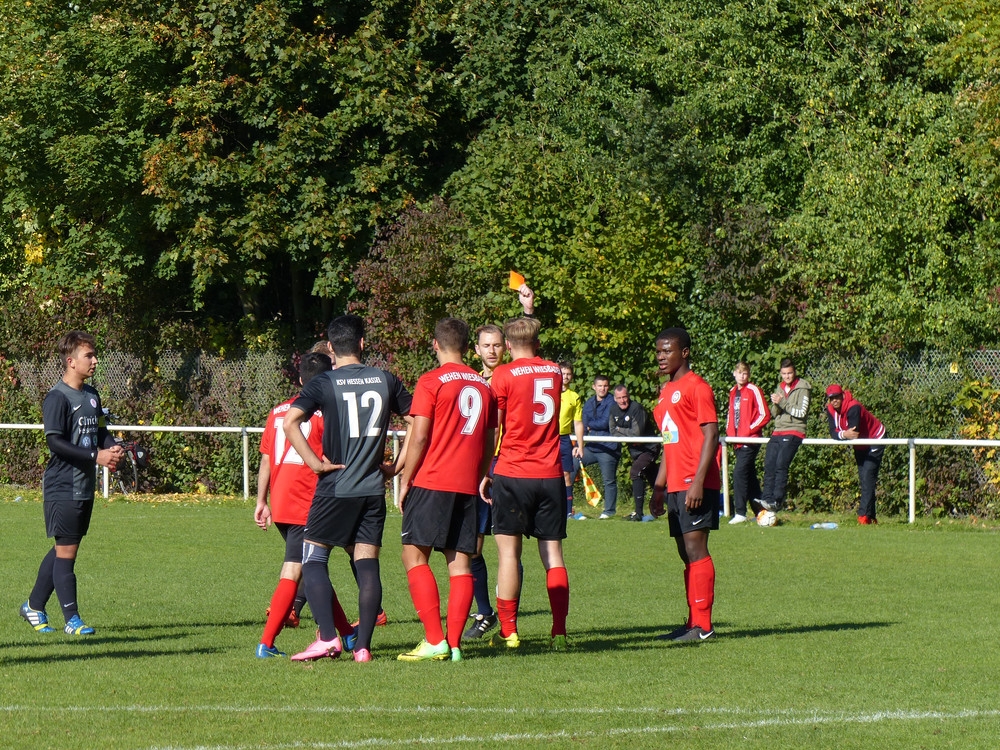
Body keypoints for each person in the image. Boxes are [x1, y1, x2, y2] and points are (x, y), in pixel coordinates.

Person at [282, 314, 412, 663]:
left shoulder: (324, 382)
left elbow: (290, 422)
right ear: (363, 344)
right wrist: (396, 467)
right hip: (372, 488)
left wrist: (315, 463)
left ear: (329, 347)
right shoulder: (386, 379)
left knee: (312, 558)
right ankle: (364, 647)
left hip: (336, 484)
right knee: (367, 564)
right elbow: (417, 422)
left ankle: (327, 638)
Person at [396, 318, 497, 662]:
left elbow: (420, 435)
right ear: (469, 347)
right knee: (459, 564)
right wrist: (480, 474)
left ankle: (435, 639)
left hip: (433, 481)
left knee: (413, 554)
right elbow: (489, 440)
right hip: (467, 485)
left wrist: (406, 479)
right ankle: (454, 644)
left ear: (435, 345)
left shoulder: (431, 381)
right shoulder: (484, 386)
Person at [21, 330, 124, 636]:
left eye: (94, 354)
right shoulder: (57, 398)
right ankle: (73, 620)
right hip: (62, 485)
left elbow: (101, 431)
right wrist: (97, 455)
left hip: (83, 485)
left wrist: (113, 446)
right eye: (88, 355)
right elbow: (55, 442)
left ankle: (33, 606)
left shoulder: (92, 395)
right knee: (67, 553)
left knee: (64, 548)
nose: (94, 360)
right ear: (71, 361)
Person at [254, 351, 356, 658]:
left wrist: (261, 500)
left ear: (300, 380)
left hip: (281, 499)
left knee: (314, 569)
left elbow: (267, 459)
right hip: (308, 500)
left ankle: (349, 634)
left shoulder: (278, 411)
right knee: (296, 569)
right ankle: (267, 642)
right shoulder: (329, 411)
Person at [480, 316, 569, 650]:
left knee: (508, 554)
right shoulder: (554, 371)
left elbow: (496, 427)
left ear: (507, 343)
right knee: (553, 555)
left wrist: (487, 469)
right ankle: (558, 630)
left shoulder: (502, 374)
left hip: (513, 471)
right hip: (549, 473)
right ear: (537, 340)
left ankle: (509, 630)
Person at [463, 284, 535, 640]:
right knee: (473, 546)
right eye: (485, 345)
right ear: (476, 350)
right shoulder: (471, 382)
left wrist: (528, 310)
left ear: (505, 348)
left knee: (509, 544)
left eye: (497, 345)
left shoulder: (514, 377)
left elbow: (531, 343)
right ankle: (485, 613)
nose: (492, 351)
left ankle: (510, 615)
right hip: (479, 472)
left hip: (510, 471)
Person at [650, 327, 720, 643]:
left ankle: (703, 627)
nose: (661, 356)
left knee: (696, 549)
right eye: (659, 351)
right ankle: (693, 621)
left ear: (685, 353)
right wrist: (659, 486)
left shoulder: (697, 387)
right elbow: (670, 441)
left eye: (668, 351)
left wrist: (698, 482)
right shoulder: (665, 392)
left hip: (696, 482)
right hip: (676, 482)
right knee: (684, 552)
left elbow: (711, 436)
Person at [758, 358, 812, 523]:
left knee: (781, 464)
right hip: (778, 431)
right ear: (781, 374)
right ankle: (766, 499)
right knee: (769, 463)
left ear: (794, 372)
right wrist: (776, 404)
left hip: (795, 430)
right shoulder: (780, 387)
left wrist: (782, 402)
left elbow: (801, 412)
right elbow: (775, 413)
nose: (787, 376)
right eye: (784, 374)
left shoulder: (803, 388)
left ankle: (777, 500)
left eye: (790, 373)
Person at [824, 384, 886, 525]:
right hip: (860, 444)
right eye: (831, 398)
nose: (834, 401)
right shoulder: (830, 410)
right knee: (864, 479)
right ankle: (871, 516)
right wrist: (844, 434)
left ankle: (863, 516)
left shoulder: (854, 407)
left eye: (837, 397)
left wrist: (843, 434)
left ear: (842, 396)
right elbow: (834, 432)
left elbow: (854, 433)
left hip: (875, 438)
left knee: (868, 476)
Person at [725, 362, 771, 524]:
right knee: (749, 476)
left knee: (739, 473)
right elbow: (731, 414)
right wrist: (729, 433)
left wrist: (749, 430)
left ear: (748, 375)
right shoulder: (732, 392)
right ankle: (761, 512)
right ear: (734, 374)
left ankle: (740, 512)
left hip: (750, 440)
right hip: (736, 441)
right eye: (739, 373)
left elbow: (764, 414)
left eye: (745, 373)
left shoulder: (754, 390)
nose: (742, 376)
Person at [608, 385, 659, 521]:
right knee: (657, 482)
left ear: (628, 396)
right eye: (619, 398)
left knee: (635, 472)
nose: (622, 400)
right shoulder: (613, 410)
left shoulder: (636, 408)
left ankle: (638, 514)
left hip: (649, 448)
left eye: (624, 397)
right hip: (636, 451)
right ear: (615, 398)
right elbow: (612, 431)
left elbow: (637, 433)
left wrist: (621, 430)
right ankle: (674, 508)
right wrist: (626, 433)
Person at [581, 375, 621, 519]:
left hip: (608, 448)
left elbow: (605, 423)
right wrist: (579, 445)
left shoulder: (612, 402)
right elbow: (583, 423)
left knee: (609, 480)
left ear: (608, 387)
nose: (602, 388)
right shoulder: (589, 402)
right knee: (571, 466)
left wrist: (590, 425)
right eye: (599, 386)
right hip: (591, 446)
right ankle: (568, 508)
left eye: (605, 386)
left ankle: (609, 511)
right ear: (594, 387)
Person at [558, 362, 585, 519]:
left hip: (564, 438)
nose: (565, 377)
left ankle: (568, 511)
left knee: (566, 475)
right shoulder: (549, 391)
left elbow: (578, 422)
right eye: (563, 373)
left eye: (568, 374)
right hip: (548, 438)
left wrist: (580, 445)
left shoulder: (574, 396)